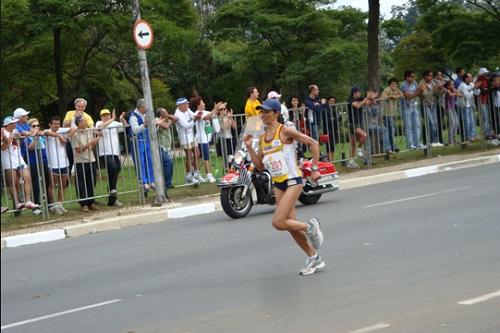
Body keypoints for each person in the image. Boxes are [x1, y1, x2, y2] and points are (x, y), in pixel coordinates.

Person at [243, 99, 325, 276]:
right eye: (261, 112)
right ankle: (314, 258)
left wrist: (315, 168)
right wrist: (249, 147)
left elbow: (313, 143)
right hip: (278, 183)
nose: (262, 115)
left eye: (266, 111)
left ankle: (310, 227)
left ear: (276, 113)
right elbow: (260, 167)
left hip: (293, 180)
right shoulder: (263, 138)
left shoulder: (285, 131)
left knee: (278, 222)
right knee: (290, 226)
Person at [1, 116, 39, 211]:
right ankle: (17, 203)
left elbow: (24, 134)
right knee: (13, 182)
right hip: (8, 160)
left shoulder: (15, 130)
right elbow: (3, 147)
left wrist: (32, 133)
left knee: (27, 178)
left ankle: (28, 201)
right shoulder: (2, 132)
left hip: (18, 158)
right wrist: (11, 137)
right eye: (14, 123)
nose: (15, 124)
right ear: (8, 124)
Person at [95, 109, 127, 206]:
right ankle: (113, 190)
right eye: (104, 115)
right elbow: (100, 127)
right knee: (112, 168)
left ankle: (112, 199)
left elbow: (125, 126)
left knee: (115, 172)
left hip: (115, 152)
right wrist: (113, 118)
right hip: (105, 153)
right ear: (101, 117)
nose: (106, 117)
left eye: (107, 115)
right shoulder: (99, 122)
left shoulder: (114, 123)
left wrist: (122, 119)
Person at [45, 116, 75, 214]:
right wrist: (59, 136)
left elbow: (74, 128)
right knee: (52, 184)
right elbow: (46, 132)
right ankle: (53, 205)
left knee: (64, 184)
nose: (57, 126)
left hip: (64, 161)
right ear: (50, 124)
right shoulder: (47, 131)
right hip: (53, 162)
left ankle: (60, 204)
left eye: (58, 123)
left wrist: (66, 136)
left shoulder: (61, 129)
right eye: (55, 124)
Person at [70, 115, 101, 212]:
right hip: (80, 161)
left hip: (91, 159)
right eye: (83, 121)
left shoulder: (88, 131)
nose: (85, 122)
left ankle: (91, 202)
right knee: (81, 183)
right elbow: (78, 150)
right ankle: (83, 204)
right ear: (78, 123)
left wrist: (93, 143)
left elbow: (91, 146)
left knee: (91, 182)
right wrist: (90, 143)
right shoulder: (75, 134)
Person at [191, 96, 220, 183]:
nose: (204, 104)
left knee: (199, 158)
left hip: (205, 139)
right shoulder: (197, 113)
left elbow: (212, 114)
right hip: (201, 139)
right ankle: (208, 175)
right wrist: (215, 109)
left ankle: (196, 173)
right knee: (205, 158)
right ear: (198, 105)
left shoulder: (204, 111)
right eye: (202, 103)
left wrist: (219, 108)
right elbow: (207, 117)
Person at [128, 98, 155, 191]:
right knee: (141, 162)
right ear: (140, 107)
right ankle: (143, 182)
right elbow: (135, 130)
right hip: (137, 142)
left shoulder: (145, 115)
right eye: (145, 108)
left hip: (146, 141)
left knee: (149, 161)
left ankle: (151, 181)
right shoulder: (133, 117)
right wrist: (144, 125)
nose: (146, 110)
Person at [26, 118, 51, 215]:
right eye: (34, 126)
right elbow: (30, 148)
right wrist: (35, 138)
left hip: (44, 161)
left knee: (47, 182)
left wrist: (38, 135)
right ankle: (36, 206)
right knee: (35, 184)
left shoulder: (41, 135)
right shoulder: (27, 136)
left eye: (37, 125)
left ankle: (49, 204)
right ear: (29, 127)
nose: (36, 127)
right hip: (33, 161)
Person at [63, 98, 95, 175]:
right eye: (78, 106)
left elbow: (92, 127)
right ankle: (68, 178)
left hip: (81, 141)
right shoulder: (70, 113)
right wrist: (74, 118)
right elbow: (64, 125)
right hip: (70, 140)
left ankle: (79, 177)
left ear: (85, 107)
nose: (80, 108)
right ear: (75, 106)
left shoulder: (87, 116)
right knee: (69, 159)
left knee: (80, 161)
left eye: (82, 106)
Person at [346, 86, 374, 168]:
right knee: (364, 135)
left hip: (358, 122)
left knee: (353, 143)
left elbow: (368, 103)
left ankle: (351, 161)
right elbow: (358, 106)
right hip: (353, 123)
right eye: (358, 92)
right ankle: (359, 151)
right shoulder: (350, 99)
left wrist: (371, 98)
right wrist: (366, 98)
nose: (360, 94)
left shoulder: (361, 98)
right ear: (354, 93)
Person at [174, 97, 200, 183]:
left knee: (197, 153)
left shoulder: (187, 110)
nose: (187, 105)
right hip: (184, 137)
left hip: (191, 135)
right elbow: (186, 125)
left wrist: (196, 117)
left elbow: (193, 116)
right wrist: (195, 120)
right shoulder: (177, 114)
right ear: (180, 105)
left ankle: (196, 174)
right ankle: (189, 176)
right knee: (189, 156)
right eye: (186, 104)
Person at [418, 70, 444, 147]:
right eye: (430, 76)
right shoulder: (422, 84)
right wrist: (434, 88)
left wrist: (440, 88)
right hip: (425, 105)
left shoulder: (432, 83)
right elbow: (426, 95)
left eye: (432, 76)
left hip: (433, 104)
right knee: (431, 123)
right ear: (425, 76)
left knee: (435, 123)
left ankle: (436, 140)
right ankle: (431, 141)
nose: (432, 77)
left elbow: (437, 94)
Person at [401, 70, 424, 150]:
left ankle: (417, 143)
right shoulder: (403, 85)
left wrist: (420, 91)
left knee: (417, 125)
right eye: (412, 77)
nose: (413, 78)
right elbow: (408, 96)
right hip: (406, 108)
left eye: (414, 77)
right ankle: (410, 144)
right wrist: (417, 92)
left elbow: (418, 93)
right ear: (407, 77)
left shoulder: (414, 83)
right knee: (408, 127)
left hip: (414, 106)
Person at [155, 107, 177, 193]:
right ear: (161, 114)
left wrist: (167, 117)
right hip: (160, 147)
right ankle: (167, 183)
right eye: (165, 112)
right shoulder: (157, 119)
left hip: (167, 148)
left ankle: (165, 187)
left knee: (166, 166)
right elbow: (166, 126)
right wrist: (168, 120)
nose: (167, 113)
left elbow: (176, 118)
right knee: (169, 162)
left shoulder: (167, 118)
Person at [381, 78, 403, 153]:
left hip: (392, 113)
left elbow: (402, 95)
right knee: (389, 131)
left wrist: (395, 97)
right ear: (390, 84)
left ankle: (392, 146)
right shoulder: (386, 90)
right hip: (386, 114)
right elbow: (383, 97)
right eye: (393, 84)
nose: (394, 85)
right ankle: (390, 147)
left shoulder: (396, 90)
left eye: (395, 84)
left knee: (392, 131)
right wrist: (390, 97)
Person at [458, 73, 481, 143]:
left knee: (472, 121)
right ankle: (468, 137)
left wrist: (476, 88)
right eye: (470, 77)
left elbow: (477, 93)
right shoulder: (462, 85)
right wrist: (473, 89)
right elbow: (467, 96)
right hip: (464, 106)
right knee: (467, 122)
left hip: (470, 105)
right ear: (466, 78)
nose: (471, 78)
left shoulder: (471, 84)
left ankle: (473, 135)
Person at [475, 68, 496, 141]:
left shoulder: (485, 80)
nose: (486, 75)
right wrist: (490, 88)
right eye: (485, 74)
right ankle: (486, 133)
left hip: (485, 101)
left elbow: (487, 89)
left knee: (487, 117)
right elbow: (483, 91)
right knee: (485, 118)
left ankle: (488, 132)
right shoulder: (480, 80)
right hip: (482, 101)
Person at [444, 80, 462, 145]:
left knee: (456, 123)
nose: (453, 86)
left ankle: (454, 139)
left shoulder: (454, 89)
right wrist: (455, 93)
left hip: (453, 108)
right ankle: (450, 140)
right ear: (448, 86)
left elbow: (461, 95)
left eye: (453, 84)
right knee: (452, 123)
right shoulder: (447, 90)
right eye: (451, 85)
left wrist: (456, 92)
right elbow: (450, 95)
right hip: (448, 108)